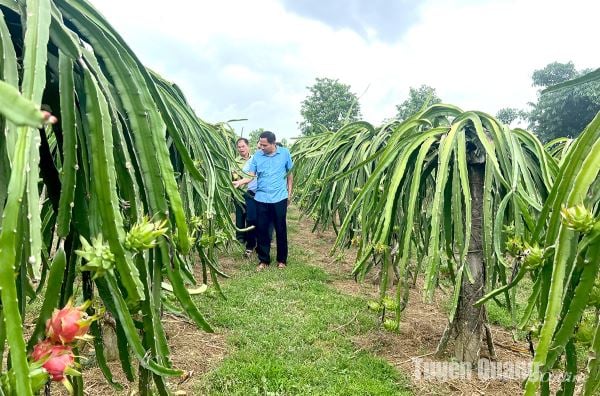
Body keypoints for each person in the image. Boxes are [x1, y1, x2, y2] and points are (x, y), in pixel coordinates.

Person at [233, 131, 293, 271]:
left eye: (264, 145)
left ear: (273, 143)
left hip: (279, 198)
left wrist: (289, 194)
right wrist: (241, 182)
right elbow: (251, 175)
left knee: (280, 229)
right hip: (261, 198)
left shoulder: (284, 153)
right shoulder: (258, 156)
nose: (261, 147)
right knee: (262, 230)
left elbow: (290, 175)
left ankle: (282, 260)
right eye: (260, 144)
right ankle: (263, 260)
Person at [233, 138, 253, 252]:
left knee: (251, 216)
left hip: (253, 192)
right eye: (239, 147)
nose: (241, 149)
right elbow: (234, 176)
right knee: (240, 214)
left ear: (248, 146)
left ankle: (250, 237)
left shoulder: (255, 159)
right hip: (240, 191)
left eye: (243, 146)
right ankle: (240, 237)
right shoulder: (235, 161)